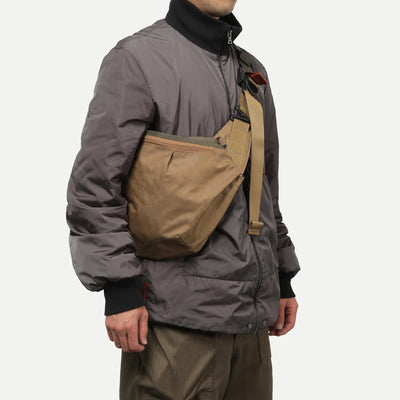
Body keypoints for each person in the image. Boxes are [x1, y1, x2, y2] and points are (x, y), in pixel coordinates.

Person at [66, 0, 301, 398]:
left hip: (252, 327)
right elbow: (95, 185)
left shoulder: (252, 72)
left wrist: (281, 276)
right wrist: (119, 288)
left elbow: (265, 187)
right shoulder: (137, 60)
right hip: (174, 327)